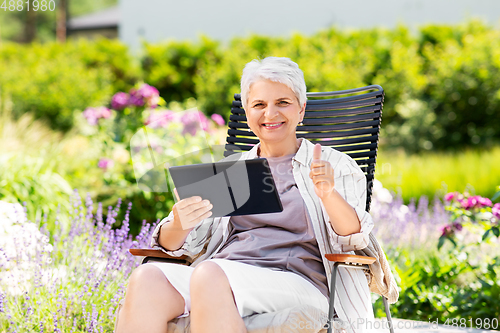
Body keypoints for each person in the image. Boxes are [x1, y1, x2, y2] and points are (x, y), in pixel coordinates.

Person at [115, 57, 377, 333]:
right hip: (224, 275)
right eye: (259, 105)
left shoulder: (333, 165)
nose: (270, 114)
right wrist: (180, 223)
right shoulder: (232, 170)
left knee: (210, 274)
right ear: (247, 112)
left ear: (301, 110)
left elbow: (353, 238)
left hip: (299, 282)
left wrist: (328, 195)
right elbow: (171, 245)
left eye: (283, 103)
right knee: (147, 278)